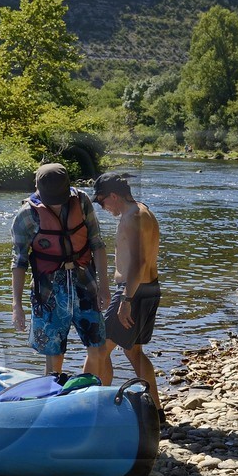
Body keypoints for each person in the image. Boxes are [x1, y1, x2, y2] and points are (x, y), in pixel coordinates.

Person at [11, 163, 109, 376]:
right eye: (50, 200)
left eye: (60, 199)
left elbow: (97, 244)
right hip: (48, 291)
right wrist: (16, 304)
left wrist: (105, 287)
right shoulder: (26, 215)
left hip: (86, 283)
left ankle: (91, 395)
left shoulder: (81, 201)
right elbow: (19, 262)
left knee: (98, 348)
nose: (56, 205)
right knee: (54, 354)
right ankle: (54, 397)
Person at [83, 172, 162, 408]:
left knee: (97, 349)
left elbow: (137, 263)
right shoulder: (143, 210)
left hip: (133, 292)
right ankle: (157, 412)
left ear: (114, 196)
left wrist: (126, 299)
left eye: (101, 201)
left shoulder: (131, 218)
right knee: (134, 352)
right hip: (150, 289)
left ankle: (87, 406)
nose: (102, 207)